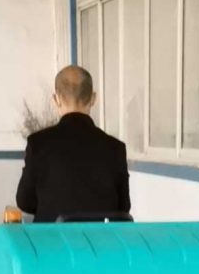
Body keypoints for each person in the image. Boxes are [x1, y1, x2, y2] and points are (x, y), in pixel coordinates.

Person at [16, 65, 130, 221]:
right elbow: (123, 208)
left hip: (51, 235)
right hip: (100, 236)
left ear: (56, 99)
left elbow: (25, 201)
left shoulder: (38, 144)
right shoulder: (115, 148)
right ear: (93, 98)